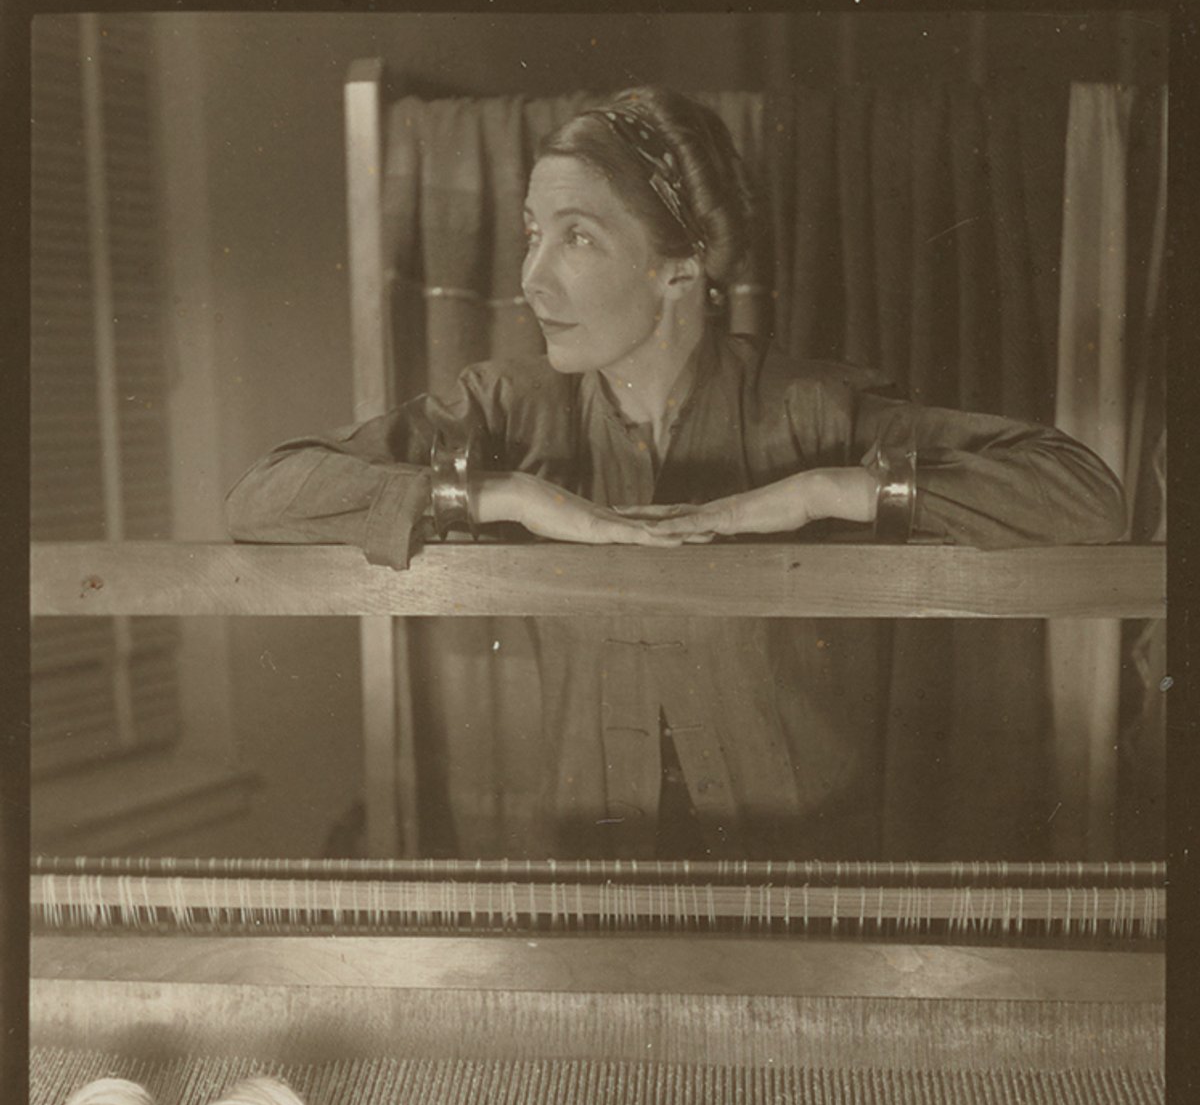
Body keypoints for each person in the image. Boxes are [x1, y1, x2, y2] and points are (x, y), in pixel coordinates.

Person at [226, 87, 1126, 861]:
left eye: (577, 239)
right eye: (533, 234)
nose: (532, 279)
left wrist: (823, 491)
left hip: (807, 880)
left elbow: (1085, 496)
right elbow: (263, 496)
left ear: (682, 269)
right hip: (590, 878)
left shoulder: (810, 409)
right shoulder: (506, 409)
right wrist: (508, 495)